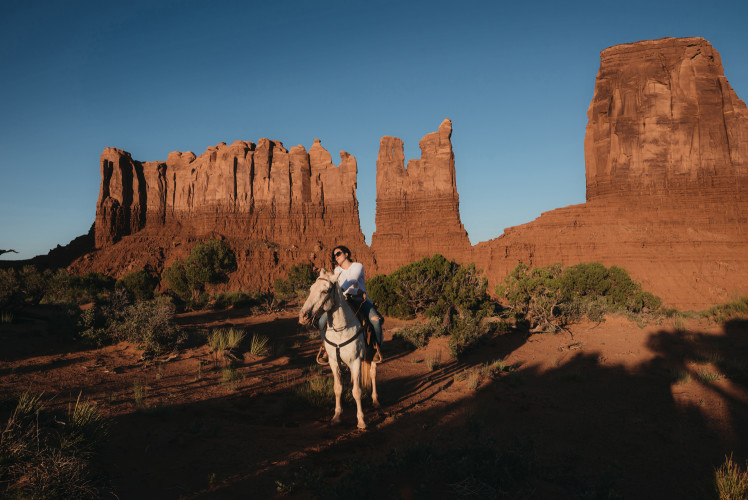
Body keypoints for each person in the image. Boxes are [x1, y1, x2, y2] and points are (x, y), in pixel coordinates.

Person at [317, 245, 383, 363]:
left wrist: (339, 290)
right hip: (344, 300)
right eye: (334, 255)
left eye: (338, 254)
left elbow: (352, 279)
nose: (336, 257)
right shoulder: (337, 270)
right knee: (321, 321)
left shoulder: (358, 266)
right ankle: (326, 349)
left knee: (376, 321)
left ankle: (375, 349)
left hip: (359, 300)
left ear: (346, 254)